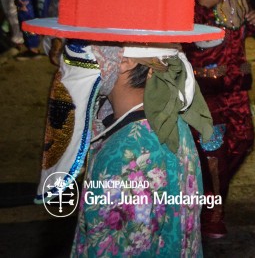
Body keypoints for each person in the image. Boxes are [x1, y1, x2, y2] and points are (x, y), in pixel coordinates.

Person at [73, 45, 212, 257]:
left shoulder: (124, 155)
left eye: (89, 45)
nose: (78, 54)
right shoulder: (171, 122)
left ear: (124, 60)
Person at [184, 0, 255, 239]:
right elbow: (181, 35)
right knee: (212, 153)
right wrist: (202, 7)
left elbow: (242, 30)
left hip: (237, 86)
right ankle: (212, 213)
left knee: (242, 141)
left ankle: (206, 200)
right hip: (208, 89)